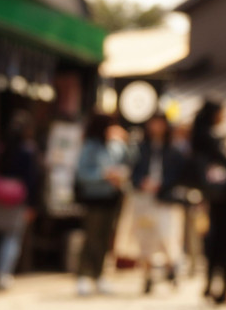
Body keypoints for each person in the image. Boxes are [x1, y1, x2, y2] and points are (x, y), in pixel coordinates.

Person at [75, 113, 132, 296]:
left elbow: (131, 159)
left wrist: (125, 139)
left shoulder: (114, 146)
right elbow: (82, 174)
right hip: (94, 198)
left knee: (105, 238)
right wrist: (103, 176)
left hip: (111, 198)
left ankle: (99, 274)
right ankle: (84, 274)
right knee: (92, 236)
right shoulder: (90, 146)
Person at [130, 112, 187, 294]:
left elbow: (180, 175)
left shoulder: (174, 150)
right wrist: (142, 182)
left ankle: (172, 269)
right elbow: (133, 172)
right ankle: (147, 276)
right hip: (144, 198)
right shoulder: (140, 148)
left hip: (165, 199)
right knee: (146, 237)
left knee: (167, 235)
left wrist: (163, 185)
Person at [191, 99, 226, 305]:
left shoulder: (199, 137)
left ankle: (210, 286)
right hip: (222, 199)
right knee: (223, 244)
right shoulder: (210, 138)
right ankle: (222, 290)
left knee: (212, 244)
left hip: (209, 197)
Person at [0, 110, 39, 290]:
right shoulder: (28, 149)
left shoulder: (2, 147)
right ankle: (3, 273)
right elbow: (32, 178)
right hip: (17, 197)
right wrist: (32, 204)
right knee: (12, 237)